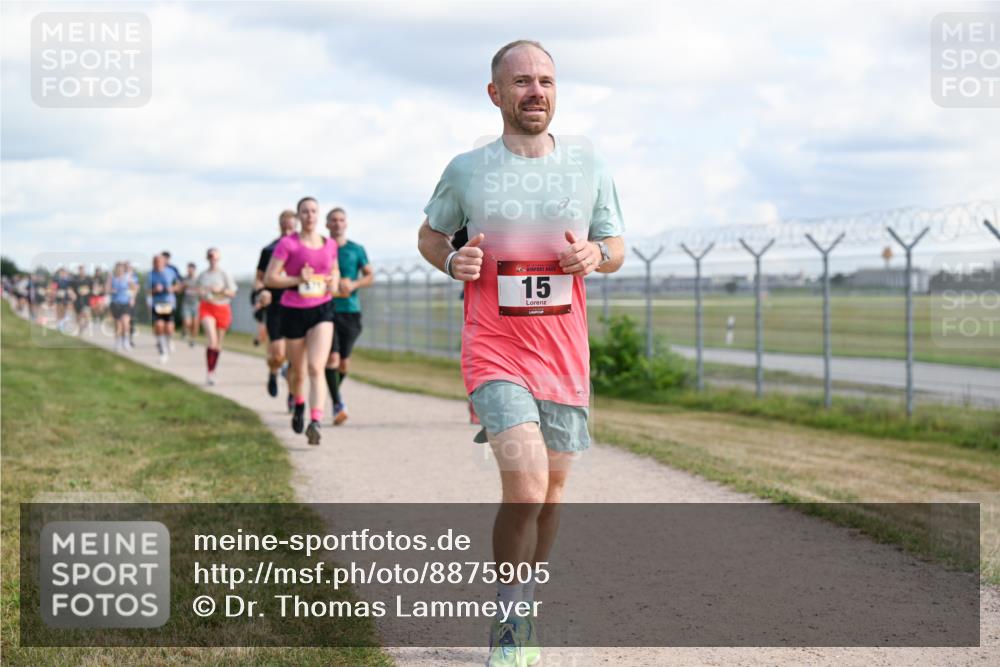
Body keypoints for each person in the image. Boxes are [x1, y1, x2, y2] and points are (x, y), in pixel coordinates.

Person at [417, 40, 625, 667]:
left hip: (563, 356)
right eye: (522, 82)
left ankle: (525, 602)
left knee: (552, 494)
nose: (536, 92)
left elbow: (615, 247)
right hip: (495, 351)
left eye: (546, 81)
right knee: (527, 487)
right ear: (496, 94)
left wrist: (595, 255)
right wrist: (452, 259)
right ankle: (508, 624)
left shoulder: (589, 165)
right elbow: (430, 234)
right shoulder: (468, 170)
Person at [264, 197, 340, 446]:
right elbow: (270, 278)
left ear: (318, 215)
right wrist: (297, 279)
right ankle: (298, 404)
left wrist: (333, 281)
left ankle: (315, 421)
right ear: (298, 216)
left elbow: (335, 273)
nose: (310, 215)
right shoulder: (288, 244)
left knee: (316, 367)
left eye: (314, 211)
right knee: (298, 371)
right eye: (305, 211)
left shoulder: (329, 245)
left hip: (322, 310)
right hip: (293, 310)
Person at [324, 207, 374, 425]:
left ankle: (331, 390)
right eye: (333, 220)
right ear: (327, 224)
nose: (337, 223)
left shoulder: (356, 249)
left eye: (341, 220)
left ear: (346, 223)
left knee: (343, 364)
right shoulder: (321, 247)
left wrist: (353, 284)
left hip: (351, 310)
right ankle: (337, 404)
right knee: (332, 359)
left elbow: (369, 275)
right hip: (326, 309)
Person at [256, 210, 299, 406]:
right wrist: (262, 291)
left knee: (295, 356)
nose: (288, 231)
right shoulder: (269, 250)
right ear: (279, 226)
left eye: (291, 227)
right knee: (279, 354)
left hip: (298, 305)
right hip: (276, 306)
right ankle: (273, 372)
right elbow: (259, 278)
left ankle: (293, 393)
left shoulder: (303, 249)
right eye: (285, 226)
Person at [196, 248, 237, 385]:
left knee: (218, 344)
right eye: (210, 257)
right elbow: (197, 291)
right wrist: (202, 292)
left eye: (214, 257)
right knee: (212, 340)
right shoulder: (203, 275)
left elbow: (232, 292)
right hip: (207, 307)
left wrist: (221, 290)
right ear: (207, 258)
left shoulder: (224, 274)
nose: (212, 259)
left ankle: (213, 370)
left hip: (222, 307)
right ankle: (209, 373)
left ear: (218, 258)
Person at [148, 253, 181, 363]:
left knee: (169, 328)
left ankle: (169, 340)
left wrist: (172, 288)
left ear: (163, 263)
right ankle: (163, 351)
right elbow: (147, 291)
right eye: (155, 262)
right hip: (157, 303)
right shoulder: (150, 275)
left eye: (160, 262)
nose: (158, 264)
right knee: (159, 325)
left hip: (169, 303)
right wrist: (155, 290)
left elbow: (179, 285)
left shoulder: (170, 272)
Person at [107, 262, 138, 351]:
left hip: (125, 303)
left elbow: (134, 288)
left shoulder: (127, 278)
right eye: (118, 268)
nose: (119, 270)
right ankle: (118, 342)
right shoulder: (112, 278)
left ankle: (126, 342)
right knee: (118, 325)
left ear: (123, 269)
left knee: (125, 322)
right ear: (115, 269)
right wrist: (111, 290)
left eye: (121, 268)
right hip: (115, 303)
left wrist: (132, 298)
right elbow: (107, 290)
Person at [179, 262, 200, 347]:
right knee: (188, 322)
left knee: (195, 324)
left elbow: (202, 291)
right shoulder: (184, 279)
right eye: (188, 269)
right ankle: (184, 330)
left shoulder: (199, 279)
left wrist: (197, 289)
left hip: (196, 303)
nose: (189, 271)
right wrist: (183, 286)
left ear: (194, 270)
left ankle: (193, 340)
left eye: (191, 269)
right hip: (186, 303)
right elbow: (179, 290)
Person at [71, 265, 92, 335]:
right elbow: (71, 288)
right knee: (78, 316)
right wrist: (72, 294)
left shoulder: (88, 279)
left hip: (86, 301)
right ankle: (79, 329)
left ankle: (83, 327)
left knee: (87, 317)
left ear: (84, 271)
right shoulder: (75, 279)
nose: (81, 271)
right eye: (80, 270)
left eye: (82, 270)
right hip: (77, 300)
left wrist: (87, 291)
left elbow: (92, 289)